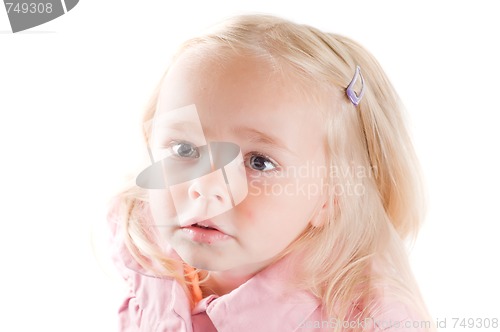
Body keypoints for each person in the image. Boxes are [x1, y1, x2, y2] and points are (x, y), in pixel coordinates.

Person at [108, 14, 434, 331]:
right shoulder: (144, 248)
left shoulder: (368, 321)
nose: (205, 188)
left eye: (259, 162)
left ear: (331, 197)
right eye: (184, 150)